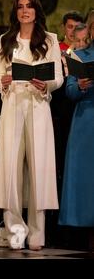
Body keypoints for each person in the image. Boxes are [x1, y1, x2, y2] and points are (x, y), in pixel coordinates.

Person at [0, 0, 63, 251]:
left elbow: (58, 77)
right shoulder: (5, 40)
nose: (25, 11)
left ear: (36, 10)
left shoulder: (49, 40)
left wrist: (47, 85)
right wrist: (3, 81)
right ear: (16, 12)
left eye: (29, 6)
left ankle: (36, 234)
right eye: (20, 7)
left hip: (37, 106)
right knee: (11, 170)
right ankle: (14, 231)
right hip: (12, 106)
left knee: (38, 171)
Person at [58, 43, 94, 236]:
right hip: (86, 119)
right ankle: (81, 224)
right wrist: (79, 86)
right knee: (85, 175)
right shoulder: (80, 55)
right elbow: (69, 91)